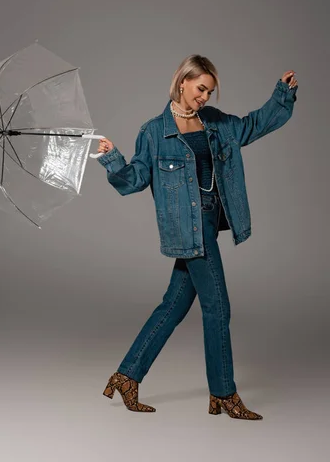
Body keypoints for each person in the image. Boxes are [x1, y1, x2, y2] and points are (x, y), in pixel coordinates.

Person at [97, 55, 298, 420]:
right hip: (187, 228)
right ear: (182, 83)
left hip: (209, 222)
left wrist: (282, 96)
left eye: (210, 91)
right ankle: (223, 393)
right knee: (218, 307)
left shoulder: (217, 124)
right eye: (201, 88)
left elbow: (254, 125)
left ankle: (126, 376)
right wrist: (113, 159)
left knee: (173, 306)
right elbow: (135, 180)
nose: (205, 96)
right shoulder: (154, 131)